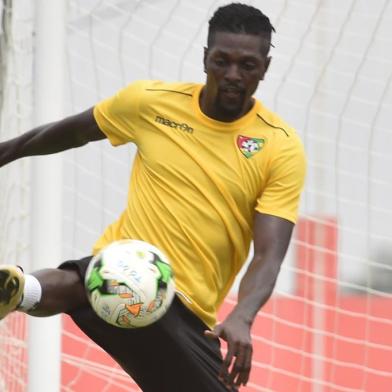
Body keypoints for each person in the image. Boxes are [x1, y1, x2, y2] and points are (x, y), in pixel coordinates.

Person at [0, 3, 306, 391]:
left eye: (247, 65)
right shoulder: (150, 103)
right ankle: (18, 288)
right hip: (125, 264)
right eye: (221, 61)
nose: (232, 75)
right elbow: (72, 131)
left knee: (83, 282)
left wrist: (243, 315)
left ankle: (25, 290)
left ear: (265, 67)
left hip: (189, 311)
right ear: (204, 59)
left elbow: (269, 253)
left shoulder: (279, 146)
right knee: (91, 277)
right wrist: (4, 151)